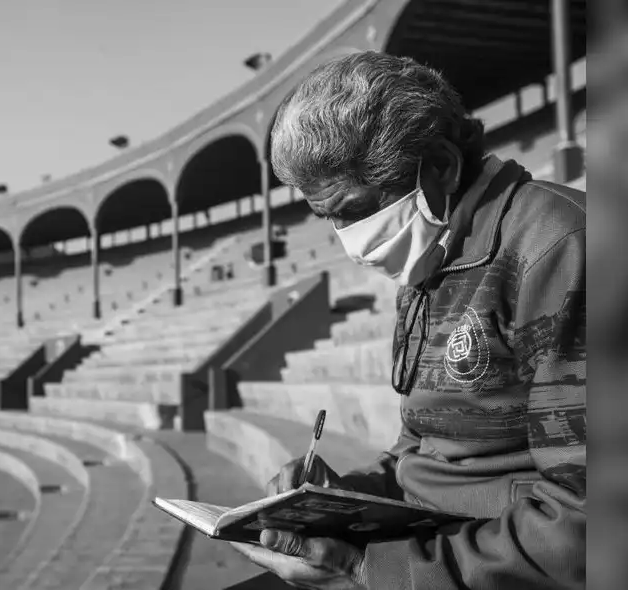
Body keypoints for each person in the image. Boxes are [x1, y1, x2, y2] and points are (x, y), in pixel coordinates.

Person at [232, 51, 586, 590]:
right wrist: (342, 496)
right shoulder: (431, 255)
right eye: (324, 218)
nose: (344, 239)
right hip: (435, 548)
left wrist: (367, 571)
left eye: (351, 210)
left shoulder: (562, 248)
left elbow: (589, 522)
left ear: (441, 165)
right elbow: (420, 447)